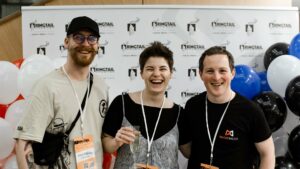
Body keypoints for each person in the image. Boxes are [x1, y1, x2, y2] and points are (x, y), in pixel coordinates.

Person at [14, 16, 109, 169]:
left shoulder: (101, 86)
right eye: (78, 37)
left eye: (92, 38)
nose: (85, 43)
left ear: (97, 45)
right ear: (66, 42)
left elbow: (104, 139)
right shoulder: (48, 86)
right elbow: (22, 143)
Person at [182, 46, 275, 169]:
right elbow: (187, 149)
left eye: (222, 71)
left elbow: (267, 153)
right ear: (200, 74)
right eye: (210, 71)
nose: (216, 77)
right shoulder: (192, 106)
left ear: (232, 73)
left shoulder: (250, 110)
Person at [102, 41, 188, 169]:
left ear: (171, 74)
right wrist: (115, 142)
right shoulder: (122, 103)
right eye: (150, 69)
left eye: (163, 69)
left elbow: (189, 152)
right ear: (141, 73)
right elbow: (106, 144)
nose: (156, 74)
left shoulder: (179, 113)